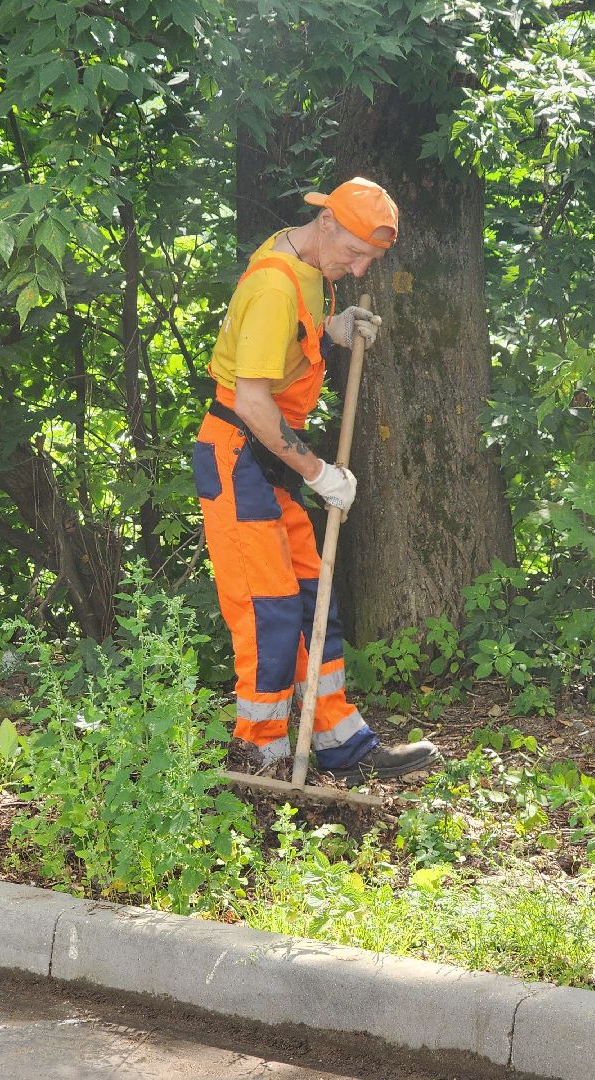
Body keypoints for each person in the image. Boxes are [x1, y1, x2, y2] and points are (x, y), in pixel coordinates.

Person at [192, 177, 439, 782]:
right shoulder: (275, 284)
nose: (356, 271)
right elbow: (252, 400)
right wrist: (318, 471)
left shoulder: (306, 263)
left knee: (311, 598)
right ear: (325, 222)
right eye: (354, 253)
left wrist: (332, 330)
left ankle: (339, 741)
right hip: (239, 455)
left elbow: (283, 343)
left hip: (269, 463)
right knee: (267, 608)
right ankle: (262, 758)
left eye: (370, 261)